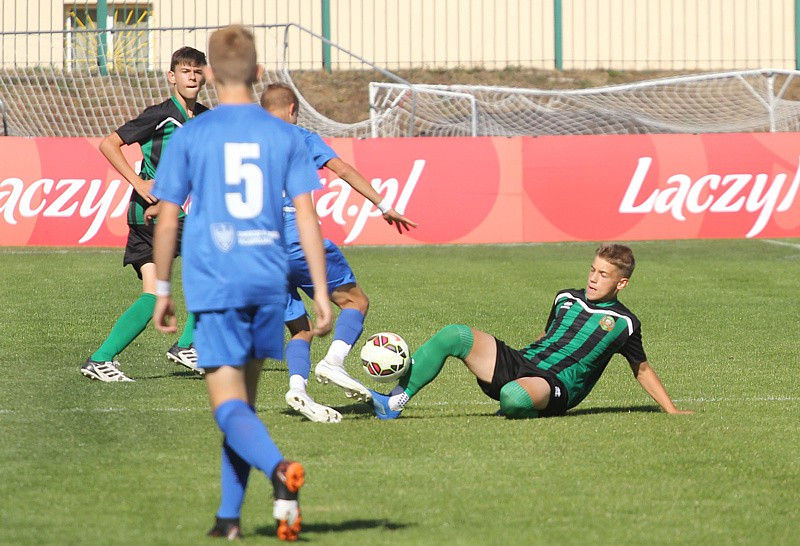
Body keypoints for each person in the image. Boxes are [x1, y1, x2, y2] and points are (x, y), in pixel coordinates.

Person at [150, 26, 332, 541]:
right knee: (243, 409)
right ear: (256, 73)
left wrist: (162, 288)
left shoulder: (191, 134)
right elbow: (308, 216)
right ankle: (229, 520)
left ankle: (280, 470)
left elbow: (166, 219)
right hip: (268, 281)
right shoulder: (284, 135)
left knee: (228, 408)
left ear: (208, 73)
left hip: (216, 282)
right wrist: (319, 290)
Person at [369, 243, 694, 420]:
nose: (594, 278)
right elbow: (548, 335)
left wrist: (671, 409)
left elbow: (642, 369)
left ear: (621, 283)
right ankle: (395, 400)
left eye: (604, 275)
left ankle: (522, 403)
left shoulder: (624, 323)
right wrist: (513, 360)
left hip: (553, 385)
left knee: (513, 397)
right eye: (593, 270)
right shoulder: (566, 297)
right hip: (522, 362)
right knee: (455, 335)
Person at [260, 83, 417, 422]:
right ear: (291, 109)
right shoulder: (300, 136)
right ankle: (333, 363)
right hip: (298, 239)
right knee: (355, 302)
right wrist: (383, 204)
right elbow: (342, 169)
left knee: (299, 329)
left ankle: (298, 388)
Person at [80, 46, 208, 382]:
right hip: (155, 213)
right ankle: (186, 346)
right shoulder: (160, 115)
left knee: (152, 294)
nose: (191, 77)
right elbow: (110, 143)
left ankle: (100, 359)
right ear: (171, 76)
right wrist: (138, 181)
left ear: (204, 76)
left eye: (197, 71)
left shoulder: (207, 118)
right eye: (185, 71)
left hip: (144, 216)